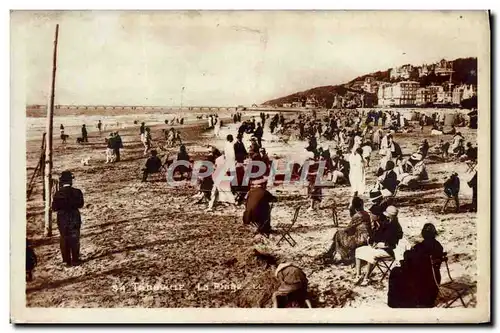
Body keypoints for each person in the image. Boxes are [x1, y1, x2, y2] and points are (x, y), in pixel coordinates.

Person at [388, 223, 444, 308]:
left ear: (423, 233)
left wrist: (407, 253)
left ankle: (398, 302)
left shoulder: (421, 246)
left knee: (396, 272)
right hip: (434, 278)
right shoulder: (438, 245)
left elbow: (411, 259)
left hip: (422, 280)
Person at [354, 205, 402, 286]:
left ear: (391, 215)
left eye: (387, 215)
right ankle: (358, 275)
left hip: (390, 250)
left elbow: (393, 244)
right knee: (358, 250)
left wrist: (381, 245)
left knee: (372, 254)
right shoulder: (386, 223)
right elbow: (379, 236)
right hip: (381, 248)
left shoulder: (395, 227)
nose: (386, 217)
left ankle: (366, 277)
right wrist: (374, 242)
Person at [324, 196, 372, 265]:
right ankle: (331, 254)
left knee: (338, 234)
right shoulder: (365, 213)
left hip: (361, 240)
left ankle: (339, 256)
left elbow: (348, 228)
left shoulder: (358, 215)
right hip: (366, 238)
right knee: (340, 234)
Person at [51, 171, 84, 267]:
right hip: (74, 215)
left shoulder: (57, 193)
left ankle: (66, 260)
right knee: (75, 236)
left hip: (62, 217)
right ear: (71, 181)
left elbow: (54, 208)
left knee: (64, 237)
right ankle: (75, 259)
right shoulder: (77, 191)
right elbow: (81, 204)